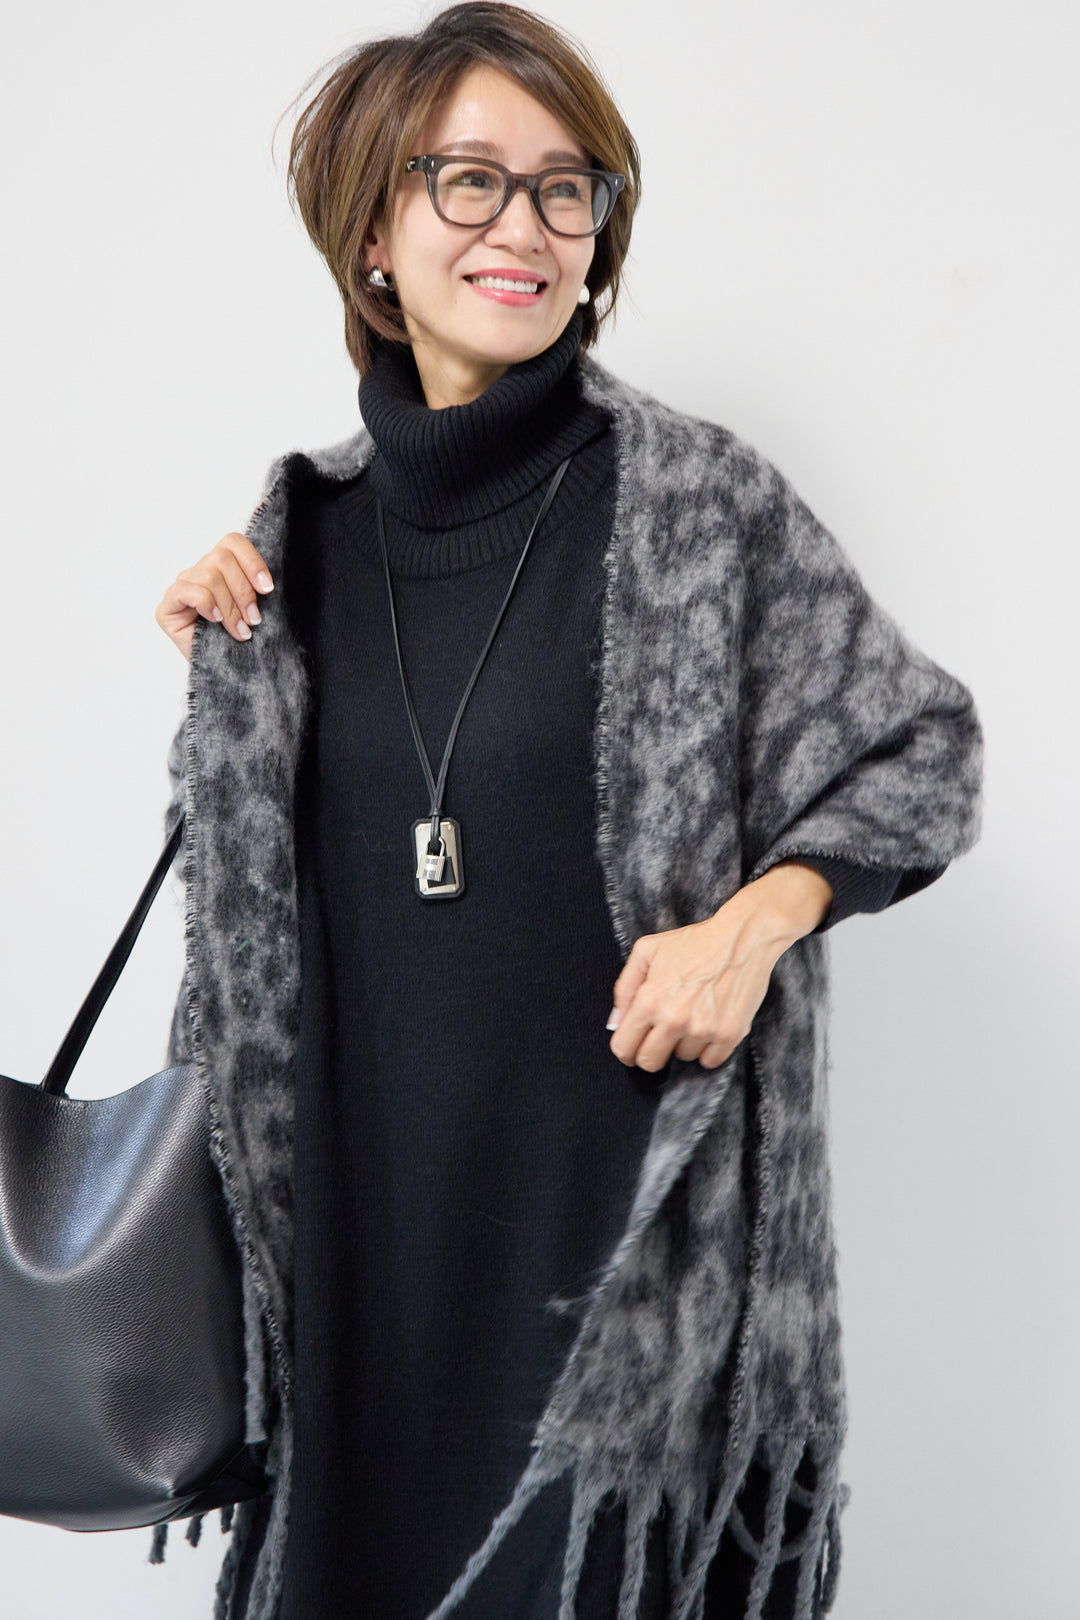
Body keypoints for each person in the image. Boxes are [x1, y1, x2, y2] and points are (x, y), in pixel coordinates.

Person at [152, 5, 984, 1618]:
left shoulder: (701, 509)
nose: (521, 226)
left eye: (565, 188)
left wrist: (756, 925)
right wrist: (218, 693)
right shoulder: (294, 539)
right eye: (466, 179)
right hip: (355, 1289)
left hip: (620, 1288)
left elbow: (920, 746)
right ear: (372, 232)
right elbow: (253, 940)